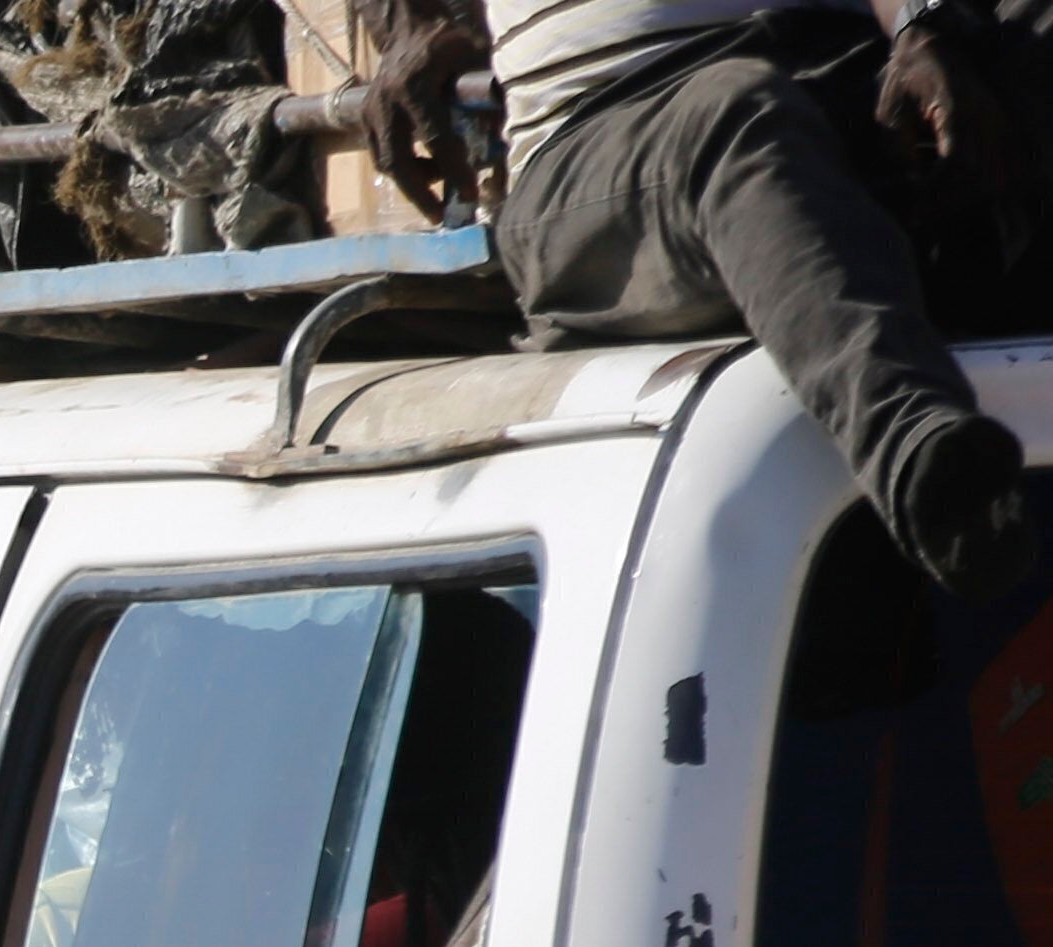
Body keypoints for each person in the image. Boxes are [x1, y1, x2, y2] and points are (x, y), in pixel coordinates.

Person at [367, 0, 1050, 599]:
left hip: (837, 75)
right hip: (610, 132)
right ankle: (919, 452)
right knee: (737, 111)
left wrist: (923, 27)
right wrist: (406, 24)